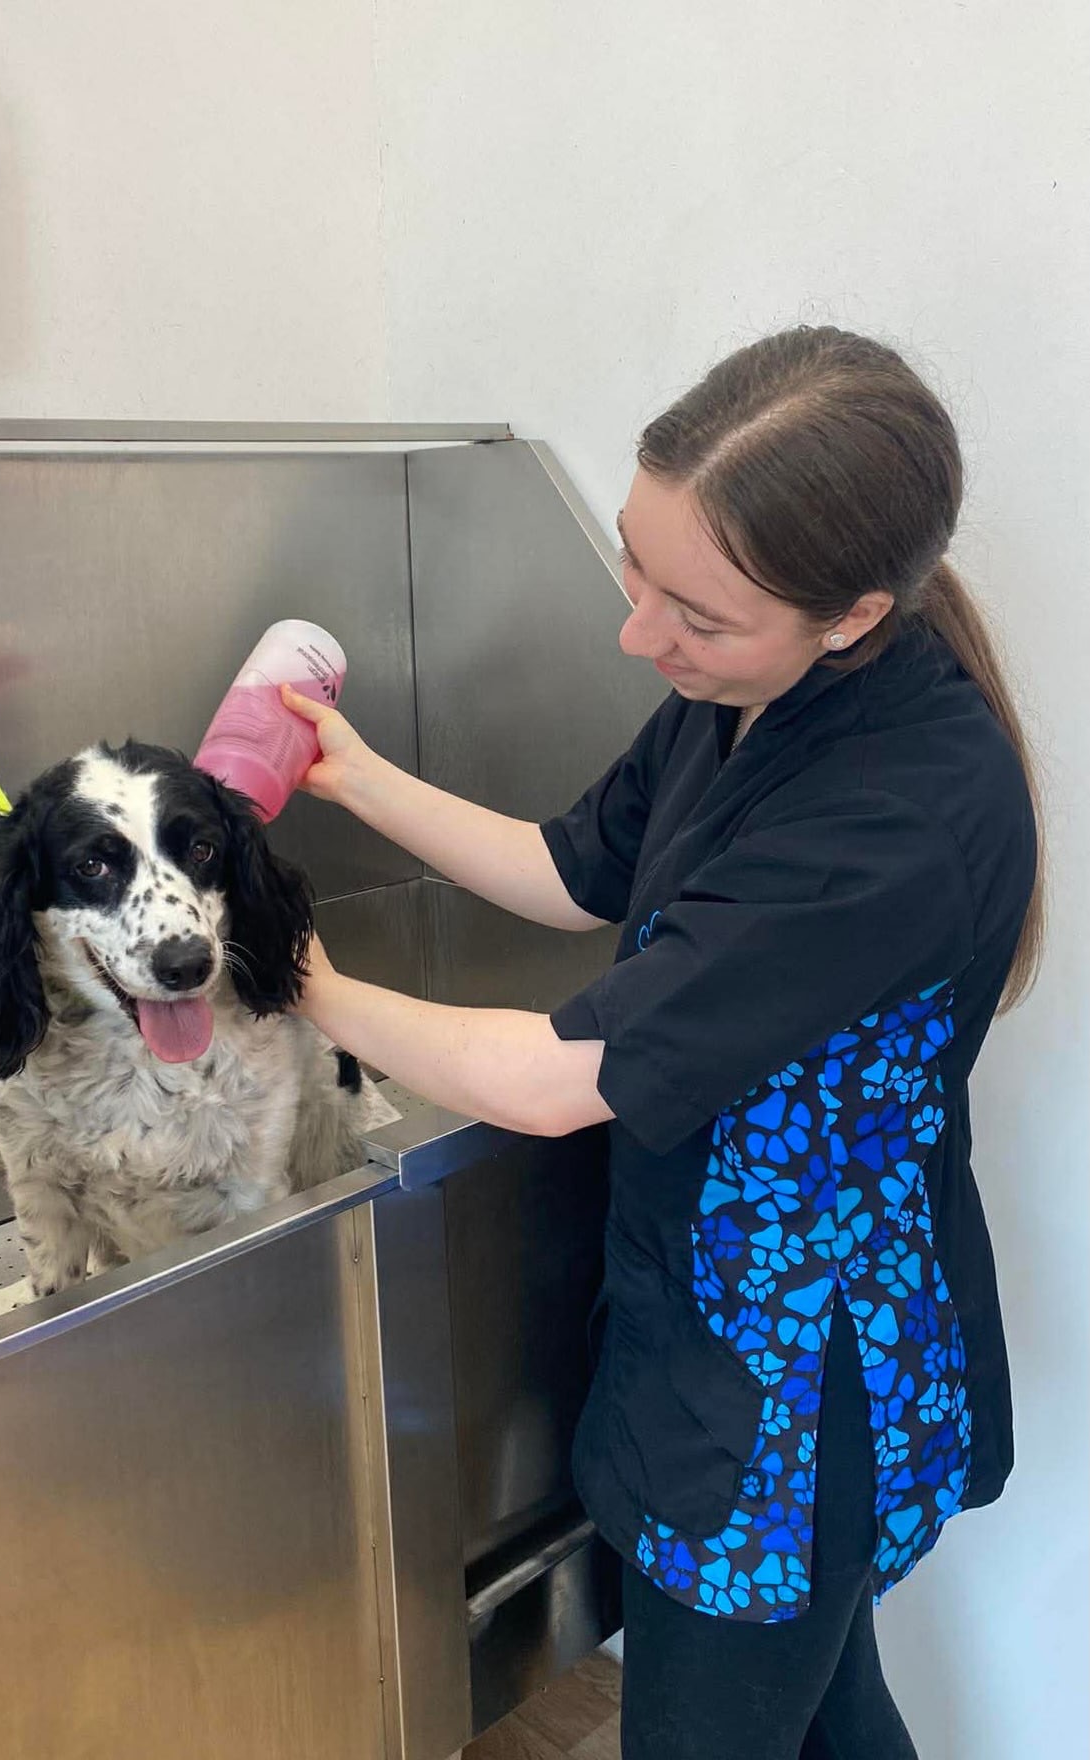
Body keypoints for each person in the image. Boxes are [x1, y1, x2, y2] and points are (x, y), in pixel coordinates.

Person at [282, 326, 1042, 1760]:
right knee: (826, 1713)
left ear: (853, 610)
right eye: (637, 563)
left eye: (692, 609)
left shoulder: (893, 816)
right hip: (707, 1322)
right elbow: (574, 871)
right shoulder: (746, 690)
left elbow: (555, 1084)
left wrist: (285, 979)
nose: (640, 632)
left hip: (796, 1387)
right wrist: (355, 775)